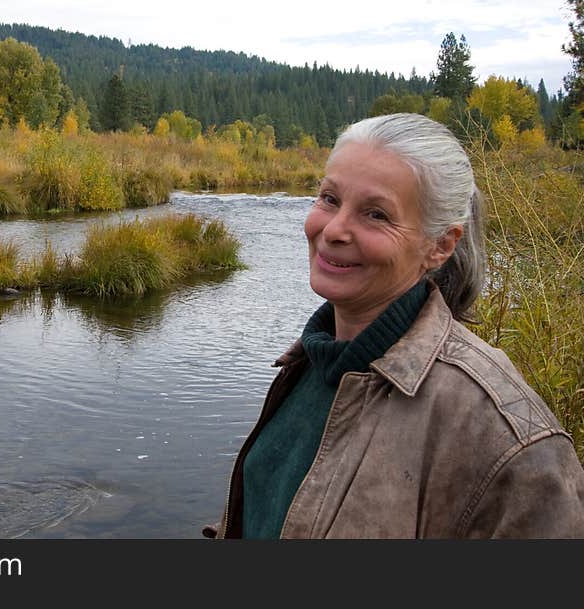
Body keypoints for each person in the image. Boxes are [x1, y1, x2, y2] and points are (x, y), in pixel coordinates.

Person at [205, 113, 584, 538]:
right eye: (329, 199)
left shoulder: (505, 438)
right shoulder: (311, 361)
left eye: (376, 215)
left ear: (440, 245)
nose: (333, 230)